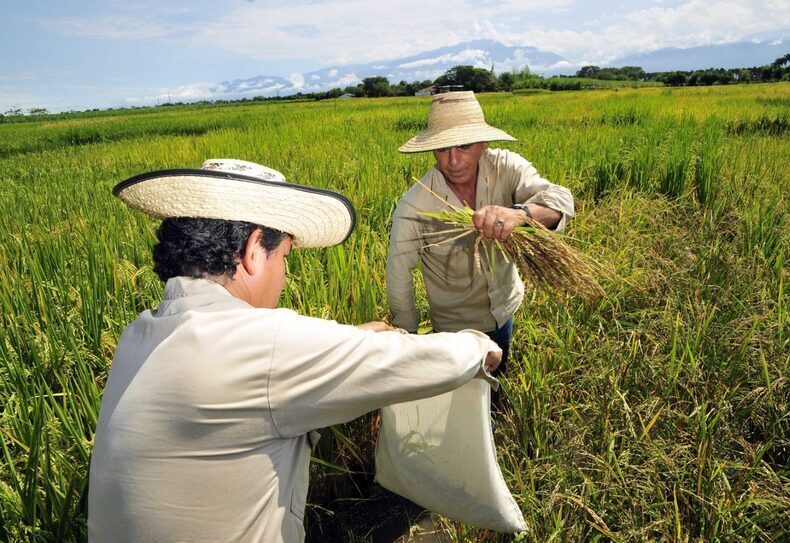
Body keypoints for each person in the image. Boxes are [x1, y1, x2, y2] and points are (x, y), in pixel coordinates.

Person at [88, 159, 502, 542]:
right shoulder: (263, 346)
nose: (284, 276)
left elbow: (262, 372)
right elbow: (419, 363)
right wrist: (479, 345)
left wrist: (354, 339)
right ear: (253, 251)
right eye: (285, 257)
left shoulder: (139, 334)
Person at [387, 91, 575, 379]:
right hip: (456, 330)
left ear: (483, 142)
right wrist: (408, 341)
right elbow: (398, 276)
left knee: (499, 382)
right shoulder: (415, 205)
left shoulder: (505, 167)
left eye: (463, 146)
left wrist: (521, 214)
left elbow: (561, 199)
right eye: (442, 149)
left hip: (503, 309)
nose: (452, 160)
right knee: (466, 398)